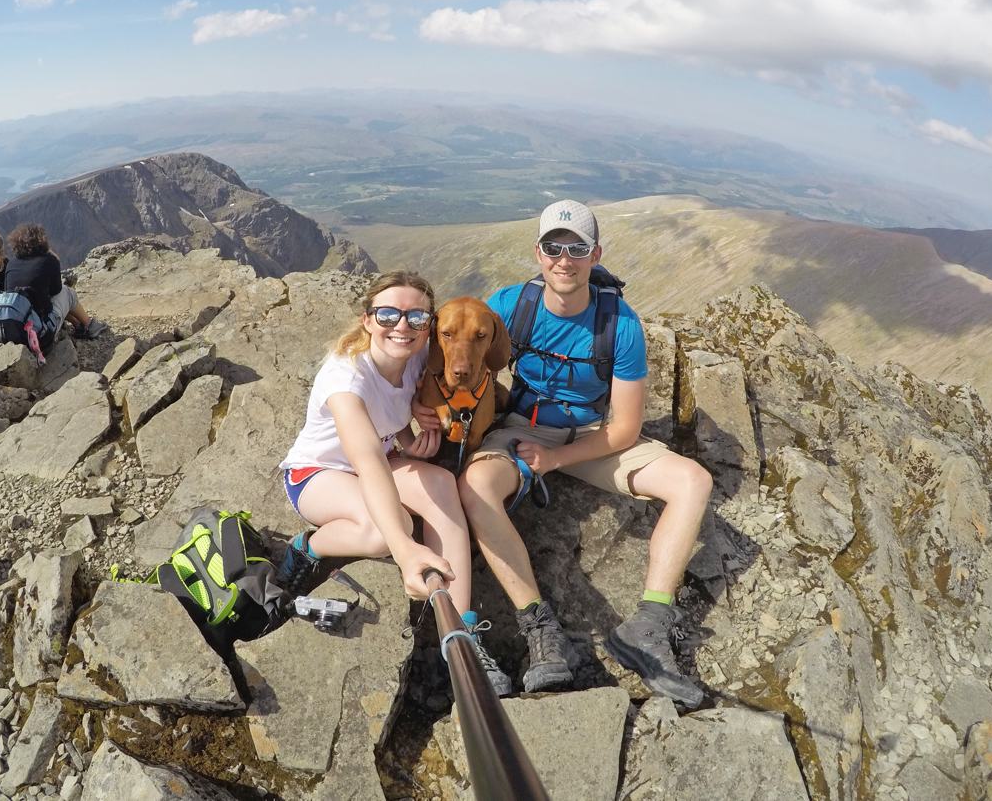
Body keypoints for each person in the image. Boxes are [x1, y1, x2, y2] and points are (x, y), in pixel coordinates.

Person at [421, 199, 712, 707]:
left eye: (576, 249)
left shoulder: (620, 325)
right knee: (475, 488)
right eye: (554, 247)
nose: (564, 259)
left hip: (593, 437)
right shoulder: (510, 306)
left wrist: (553, 461)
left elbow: (625, 428)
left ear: (594, 254)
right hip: (520, 427)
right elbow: (456, 351)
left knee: (693, 481)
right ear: (538, 252)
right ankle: (539, 627)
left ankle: (649, 623)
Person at [277, 271, 512, 695]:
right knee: (385, 530)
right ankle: (308, 548)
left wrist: (410, 431)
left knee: (441, 485)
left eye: (416, 317)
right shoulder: (345, 377)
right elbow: (366, 461)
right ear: (368, 319)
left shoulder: (421, 355)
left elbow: (426, 398)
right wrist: (405, 551)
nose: (402, 326)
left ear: (427, 325)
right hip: (319, 474)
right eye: (388, 314)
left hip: (386, 459)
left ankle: (460, 637)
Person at [4, 223, 107, 342]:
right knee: (68, 293)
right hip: (41, 332)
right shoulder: (48, 260)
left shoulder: (11, 264)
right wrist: (53, 257)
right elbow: (56, 290)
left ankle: (78, 325)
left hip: (17, 330)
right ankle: (90, 326)